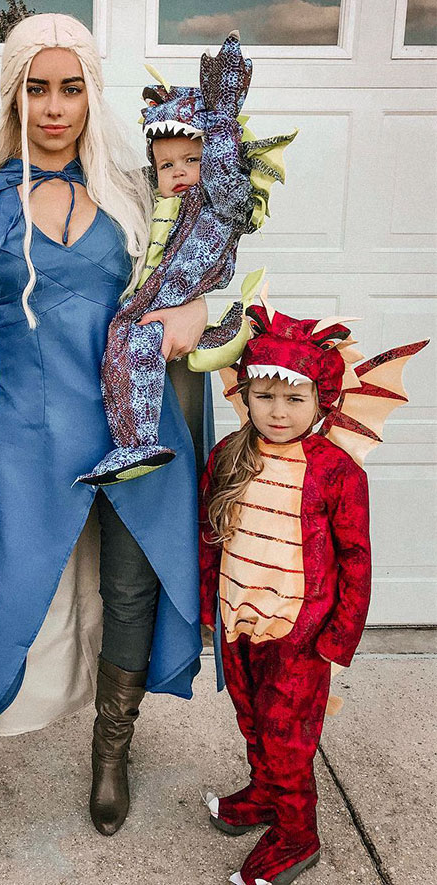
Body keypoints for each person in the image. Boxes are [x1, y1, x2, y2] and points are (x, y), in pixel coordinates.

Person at [0, 13, 212, 885]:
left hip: (136, 434)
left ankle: (111, 751)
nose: (55, 107)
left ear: (92, 92)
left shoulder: (133, 193)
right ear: (14, 93)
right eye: (38, 88)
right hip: (28, 442)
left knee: (129, 592)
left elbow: (192, 294)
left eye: (70, 87)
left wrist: (193, 318)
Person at [198, 295, 427, 885]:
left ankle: (297, 836)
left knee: (290, 739)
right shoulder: (228, 454)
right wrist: (207, 606)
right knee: (253, 720)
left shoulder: (336, 471)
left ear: (321, 401)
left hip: (301, 635)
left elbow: (356, 557)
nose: (278, 411)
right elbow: (210, 536)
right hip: (239, 619)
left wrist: (338, 639)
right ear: (242, 394)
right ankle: (264, 795)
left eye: (295, 399)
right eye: (264, 396)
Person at [76, 34, 297, 485]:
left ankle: (138, 443)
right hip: (167, 287)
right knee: (122, 340)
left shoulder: (222, 198)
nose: (178, 171)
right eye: (167, 164)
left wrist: (220, 117)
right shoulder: (162, 201)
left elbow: (222, 174)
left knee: (136, 341)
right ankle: (134, 438)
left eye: (191, 159)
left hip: (188, 276)